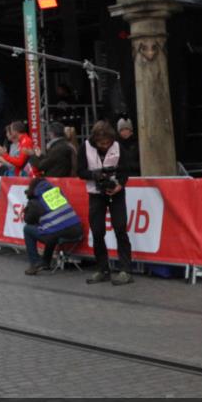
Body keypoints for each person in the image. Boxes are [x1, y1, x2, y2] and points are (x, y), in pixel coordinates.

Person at [78, 120, 133, 285]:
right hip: (95, 194)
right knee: (97, 231)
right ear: (95, 140)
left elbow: (126, 170)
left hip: (116, 193)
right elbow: (79, 171)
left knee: (120, 229)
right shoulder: (85, 147)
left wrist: (120, 185)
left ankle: (125, 270)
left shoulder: (118, 147)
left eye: (108, 143)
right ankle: (102, 269)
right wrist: (94, 175)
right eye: (102, 143)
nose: (105, 146)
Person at [22, 176, 83, 275]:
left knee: (28, 229)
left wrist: (29, 203)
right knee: (50, 228)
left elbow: (28, 220)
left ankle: (35, 262)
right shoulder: (58, 193)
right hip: (77, 231)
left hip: (57, 234)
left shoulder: (36, 201)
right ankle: (45, 262)